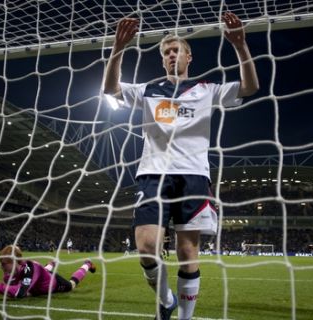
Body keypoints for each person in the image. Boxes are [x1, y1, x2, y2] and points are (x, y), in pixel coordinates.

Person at [103, 11, 259, 320]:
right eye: (166, 52)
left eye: (177, 51)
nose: (172, 55)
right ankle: (165, 300)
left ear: (189, 57)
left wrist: (240, 45)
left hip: (193, 176)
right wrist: (118, 48)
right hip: (153, 173)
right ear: (163, 60)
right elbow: (110, 89)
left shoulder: (207, 89)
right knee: (147, 246)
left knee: (188, 253)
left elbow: (250, 86)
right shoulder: (148, 89)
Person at [0, 245, 96, 298]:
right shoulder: (8, 275)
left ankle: (87, 264)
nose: (2, 268)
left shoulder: (30, 267)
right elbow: (12, 291)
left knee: (71, 285)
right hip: (37, 282)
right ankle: (52, 263)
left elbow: (19, 293)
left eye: (4, 264)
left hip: (52, 283)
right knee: (41, 271)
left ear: (15, 261)